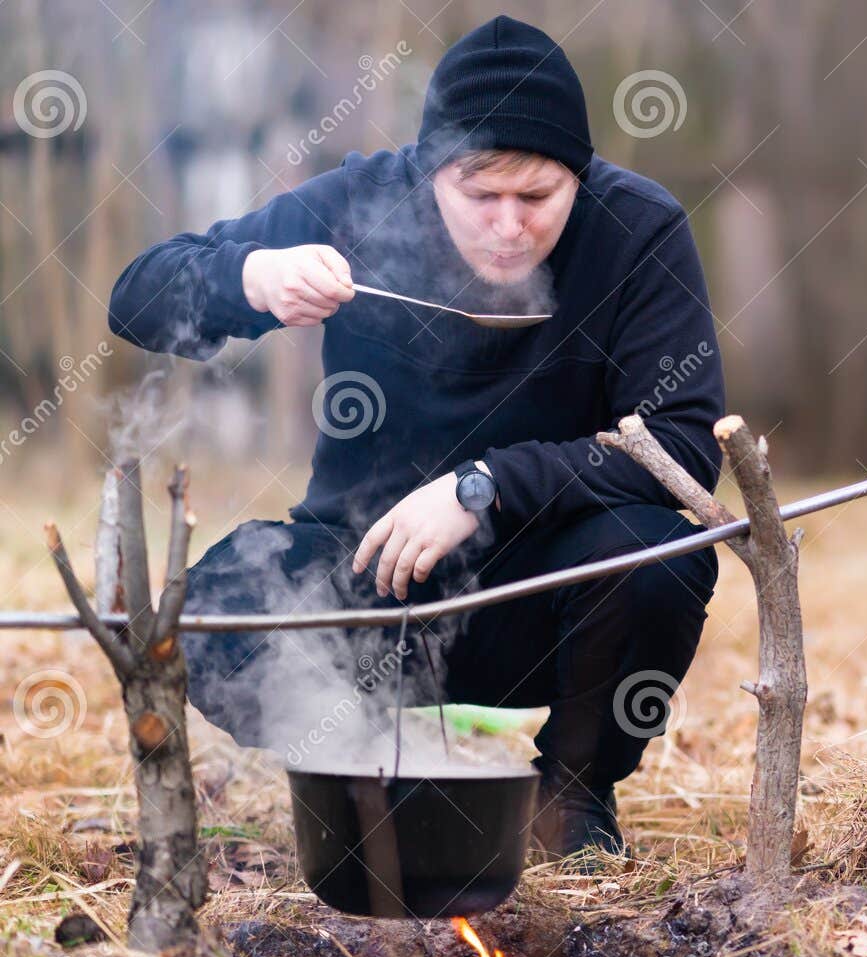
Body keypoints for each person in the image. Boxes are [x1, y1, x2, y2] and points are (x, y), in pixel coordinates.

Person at [107, 15, 723, 861]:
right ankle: (358, 779)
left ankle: (572, 802)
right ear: (430, 172)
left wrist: (488, 486)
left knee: (665, 558)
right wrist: (249, 275)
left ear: (579, 179)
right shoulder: (361, 203)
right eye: (480, 194)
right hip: (363, 581)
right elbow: (136, 297)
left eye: (538, 198)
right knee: (211, 613)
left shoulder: (637, 232)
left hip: (550, 597)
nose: (509, 225)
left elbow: (684, 450)